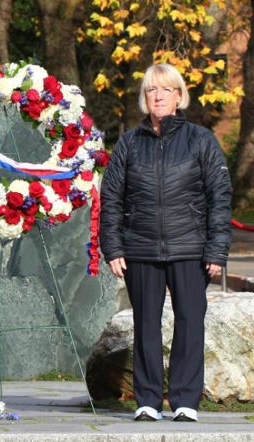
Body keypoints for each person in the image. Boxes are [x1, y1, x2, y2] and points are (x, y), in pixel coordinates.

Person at [100, 63, 232, 423]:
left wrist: (217, 249)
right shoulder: (129, 143)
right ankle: (147, 401)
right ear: (145, 98)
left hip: (191, 248)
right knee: (145, 324)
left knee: (191, 322)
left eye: (165, 90)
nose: (157, 96)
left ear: (178, 96)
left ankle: (186, 400)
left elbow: (219, 197)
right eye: (151, 91)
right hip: (139, 248)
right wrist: (112, 247)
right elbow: (111, 198)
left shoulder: (201, 140)